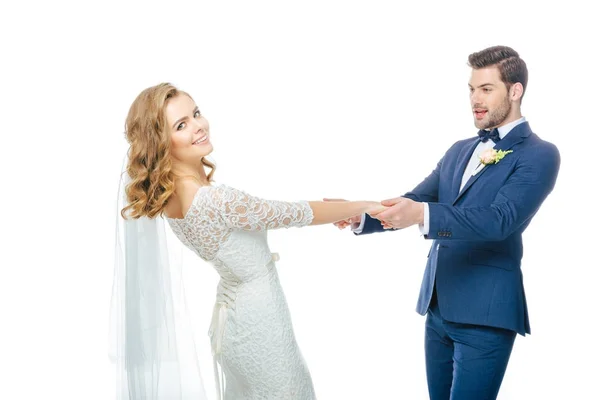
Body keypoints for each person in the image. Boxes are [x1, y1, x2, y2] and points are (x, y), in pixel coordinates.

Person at [113, 82, 386, 400]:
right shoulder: (215, 200)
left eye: (196, 113)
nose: (199, 126)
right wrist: (363, 206)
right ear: (161, 142)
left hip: (233, 322)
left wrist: (344, 208)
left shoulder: (171, 197)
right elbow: (292, 213)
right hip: (259, 323)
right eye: (181, 125)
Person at [334, 45, 560, 399]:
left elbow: (500, 220)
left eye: (487, 89)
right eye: (471, 89)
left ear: (515, 91)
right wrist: (361, 214)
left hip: (486, 315)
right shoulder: (459, 149)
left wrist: (421, 215)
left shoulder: (540, 153)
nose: (475, 99)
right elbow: (417, 199)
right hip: (437, 309)